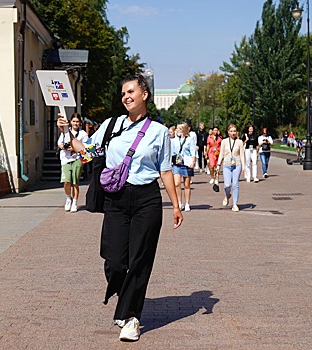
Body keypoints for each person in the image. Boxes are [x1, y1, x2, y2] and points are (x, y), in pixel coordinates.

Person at [57, 74, 182, 342]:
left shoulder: (159, 132)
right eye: (123, 93)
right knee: (114, 260)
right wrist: (66, 133)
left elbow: (166, 170)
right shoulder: (111, 125)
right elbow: (89, 152)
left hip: (147, 199)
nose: (126, 96)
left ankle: (131, 317)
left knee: (140, 259)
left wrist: (176, 205)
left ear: (145, 95)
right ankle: (122, 294)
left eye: (131, 91)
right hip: (116, 198)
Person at [57, 113, 89, 212]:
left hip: (77, 159)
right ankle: (68, 197)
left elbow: (86, 148)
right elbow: (59, 144)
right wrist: (64, 147)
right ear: (71, 122)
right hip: (66, 159)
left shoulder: (83, 134)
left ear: (80, 123)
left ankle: (75, 202)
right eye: (74, 121)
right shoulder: (66, 131)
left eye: (77, 121)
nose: (75, 123)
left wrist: (74, 149)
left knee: (75, 182)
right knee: (66, 181)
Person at [217, 124, 245, 212]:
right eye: (231, 131)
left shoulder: (239, 142)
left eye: (234, 131)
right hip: (227, 165)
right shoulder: (224, 141)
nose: (233, 133)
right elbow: (221, 154)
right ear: (228, 132)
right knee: (227, 184)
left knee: (235, 184)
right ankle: (227, 195)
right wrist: (218, 165)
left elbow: (241, 155)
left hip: (237, 164)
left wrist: (243, 167)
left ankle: (235, 204)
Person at [172, 122, 197, 212]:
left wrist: (193, 161)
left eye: (178, 129)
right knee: (177, 183)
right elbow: (171, 151)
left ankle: (187, 203)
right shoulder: (174, 140)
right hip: (177, 163)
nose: (177, 130)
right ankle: (179, 202)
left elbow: (193, 151)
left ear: (183, 130)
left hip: (186, 163)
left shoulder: (189, 140)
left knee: (187, 185)